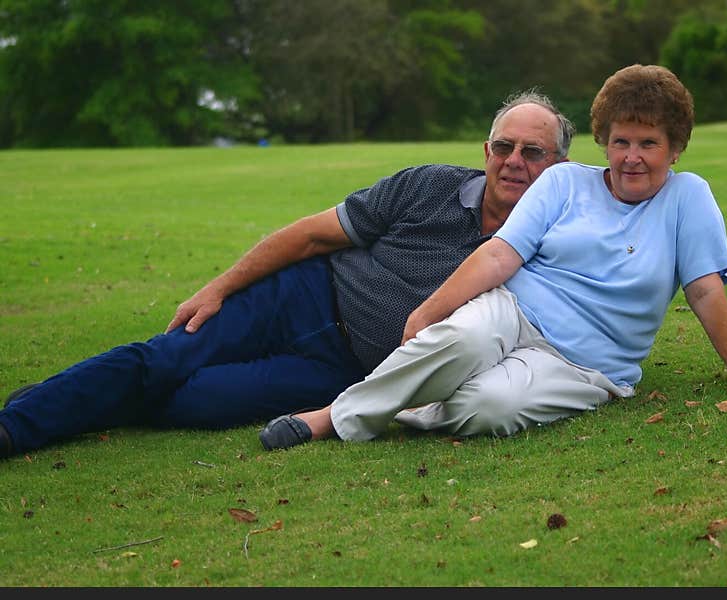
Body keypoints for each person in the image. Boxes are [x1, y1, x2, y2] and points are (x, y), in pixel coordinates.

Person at [260, 64, 727, 450]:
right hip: (513, 309)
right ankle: (328, 420)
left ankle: (409, 410)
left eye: (648, 143)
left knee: (492, 408)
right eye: (621, 140)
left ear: (675, 147)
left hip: (588, 363)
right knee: (460, 339)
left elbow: (704, 290)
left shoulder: (688, 198)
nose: (631, 157)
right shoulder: (562, 184)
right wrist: (431, 309)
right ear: (604, 138)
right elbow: (501, 255)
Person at [0, 91, 575, 459]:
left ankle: (72, 397)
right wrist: (220, 287)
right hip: (302, 295)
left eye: (533, 151)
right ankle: (18, 426)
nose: (514, 162)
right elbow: (311, 234)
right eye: (504, 147)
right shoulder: (429, 185)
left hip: (338, 371)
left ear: (559, 166)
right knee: (166, 359)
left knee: (195, 403)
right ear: (486, 150)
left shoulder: (549, 248)